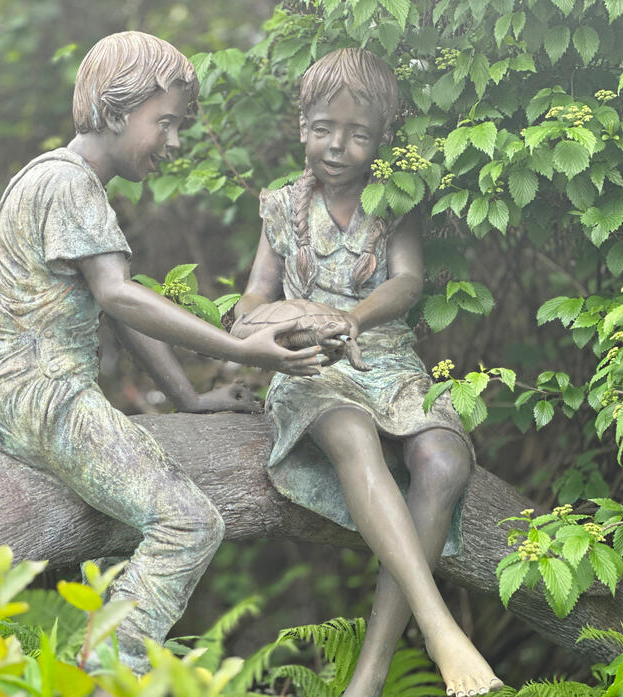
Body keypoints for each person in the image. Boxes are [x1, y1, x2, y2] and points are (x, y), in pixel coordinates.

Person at [0, 31, 324, 674]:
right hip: (33, 390)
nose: (175, 143)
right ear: (117, 108)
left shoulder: (67, 182)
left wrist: (188, 399)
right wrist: (244, 346)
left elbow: (115, 307)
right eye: (167, 123)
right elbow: (121, 297)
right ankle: (106, 674)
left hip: (7, 389)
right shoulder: (67, 183)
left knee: (127, 522)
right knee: (189, 523)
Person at [232, 48, 503, 697]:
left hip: (383, 356)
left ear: (381, 137)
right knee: (350, 431)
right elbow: (249, 302)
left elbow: (408, 280)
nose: (338, 145)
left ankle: (370, 671)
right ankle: (438, 630)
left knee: (443, 459)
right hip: (311, 366)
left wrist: (356, 315)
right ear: (302, 127)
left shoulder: (393, 200)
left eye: (357, 134)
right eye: (325, 128)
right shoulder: (278, 208)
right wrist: (287, 318)